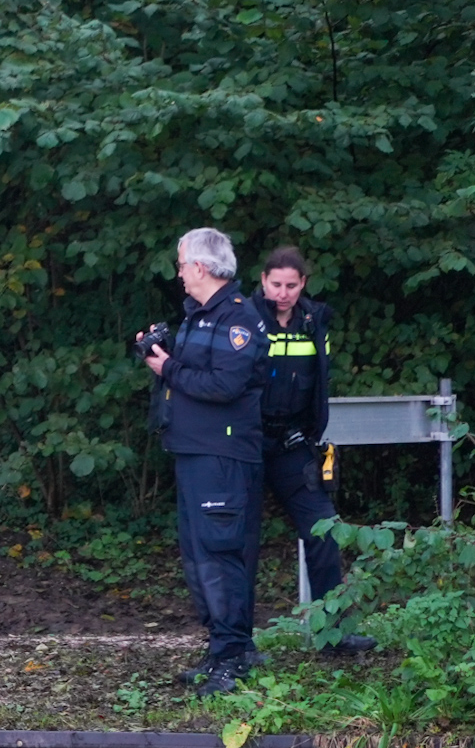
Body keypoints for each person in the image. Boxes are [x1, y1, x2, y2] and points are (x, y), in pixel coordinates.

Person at [139, 228, 268, 697]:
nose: (178, 273)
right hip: (193, 450)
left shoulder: (237, 319)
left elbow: (224, 386)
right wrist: (160, 353)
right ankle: (222, 648)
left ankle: (233, 656)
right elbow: (196, 373)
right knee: (198, 558)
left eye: (181, 264)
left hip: (222, 455)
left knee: (220, 554)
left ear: (201, 266)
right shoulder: (198, 315)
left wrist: (167, 368)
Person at [244, 246, 376, 655]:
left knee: (324, 531)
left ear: (303, 284)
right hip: (246, 444)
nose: (282, 293)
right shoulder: (243, 320)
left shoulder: (313, 321)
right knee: (239, 545)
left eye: (291, 285)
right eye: (275, 284)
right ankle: (236, 645)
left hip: (292, 446)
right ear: (262, 281)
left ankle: (333, 636)